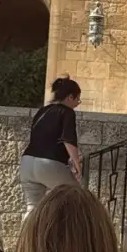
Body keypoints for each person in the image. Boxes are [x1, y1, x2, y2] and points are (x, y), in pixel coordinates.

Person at [19, 75, 82, 216]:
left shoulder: (42, 111)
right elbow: (68, 140)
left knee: (32, 208)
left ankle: (27, 231)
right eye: (77, 99)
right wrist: (77, 166)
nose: (77, 103)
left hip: (27, 162)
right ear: (70, 97)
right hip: (49, 163)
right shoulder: (67, 112)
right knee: (76, 197)